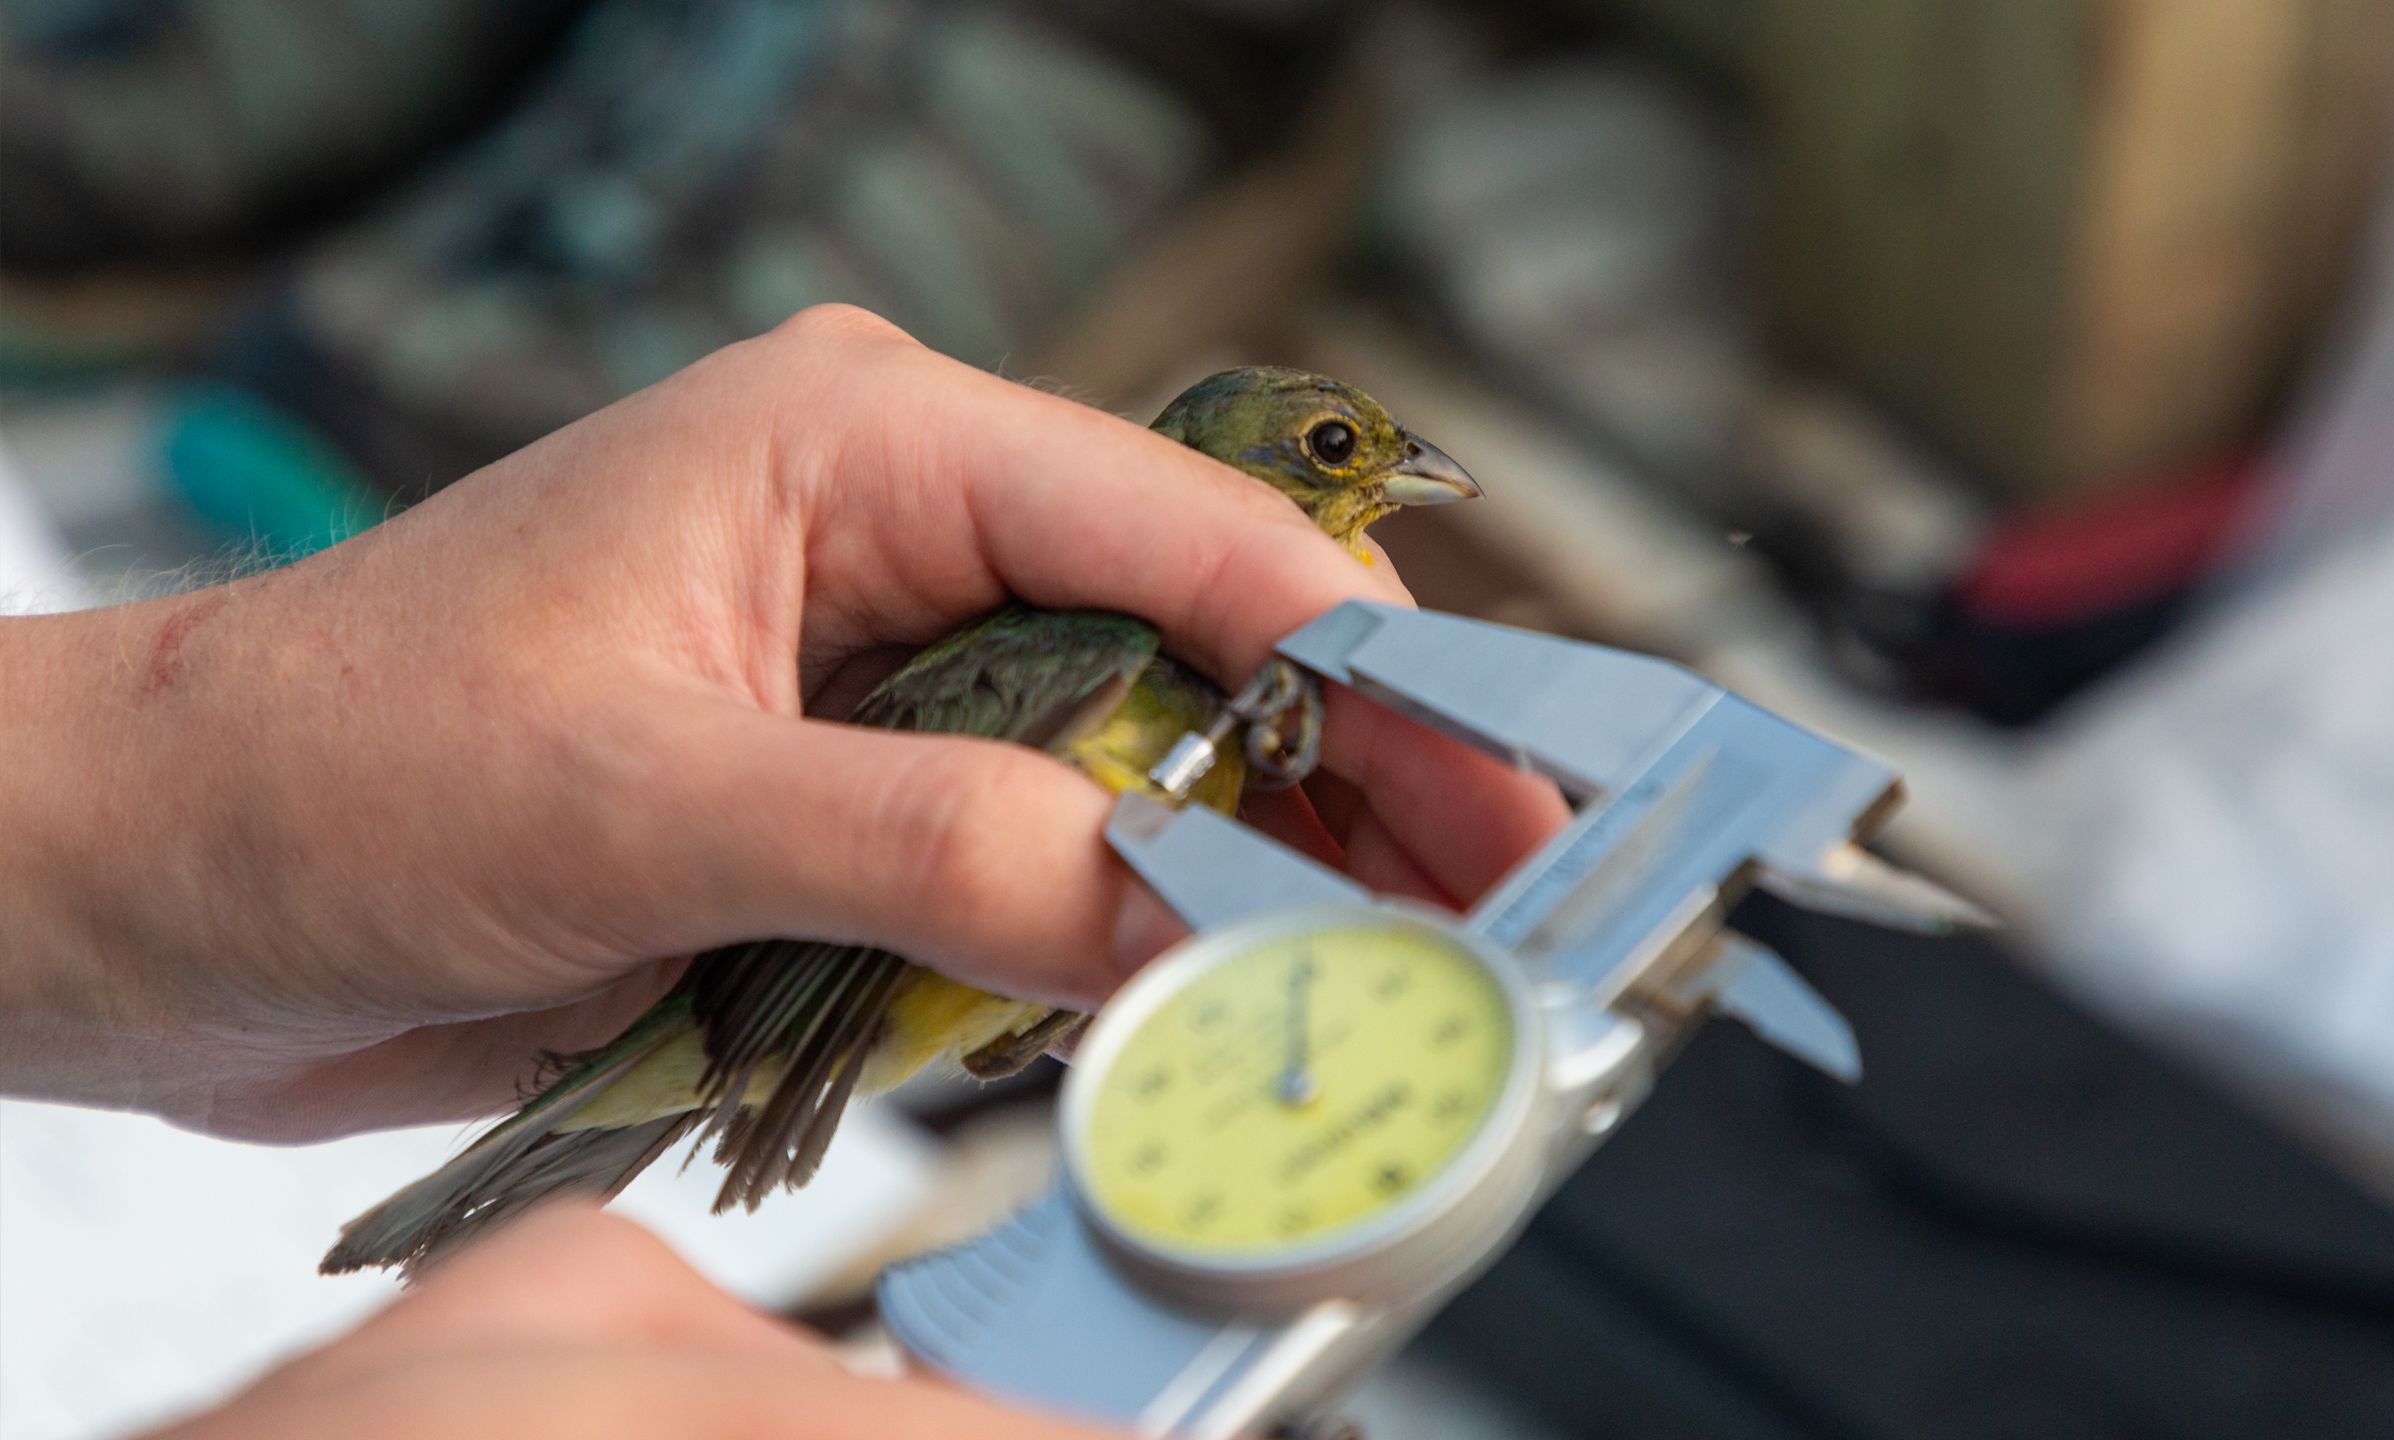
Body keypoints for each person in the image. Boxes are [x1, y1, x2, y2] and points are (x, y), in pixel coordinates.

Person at [0, 307, 1564, 1438]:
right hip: (786, 1004)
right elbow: (884, 892)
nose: (1397, 471)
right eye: (1339, 453)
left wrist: (139, 813)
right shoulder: (1083, 644)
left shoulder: (1216, 704)